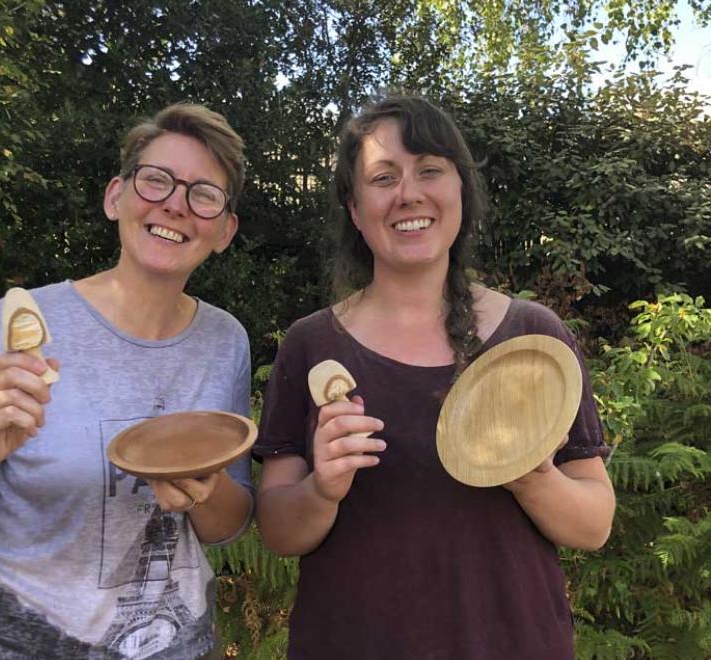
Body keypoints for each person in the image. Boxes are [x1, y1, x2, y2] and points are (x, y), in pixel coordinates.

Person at [253, 95, 615, 659]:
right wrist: (322, 489)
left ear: (460, 190)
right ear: (354, 207)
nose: (409, 194)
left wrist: (529, 476)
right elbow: (278, 531)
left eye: (429, 170)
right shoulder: (312, 344)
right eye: (383, 177)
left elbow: (593, 525)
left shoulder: (533, 341)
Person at [0, 103, 254, 659]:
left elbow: (226, 524)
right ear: (116, 197)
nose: (176, 205)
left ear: (225, 229)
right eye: (156, 181)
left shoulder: (224, 341)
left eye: (203, 194)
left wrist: (205, 490)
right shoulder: (18, 328)